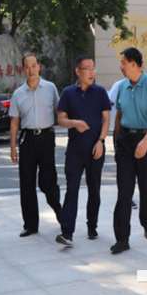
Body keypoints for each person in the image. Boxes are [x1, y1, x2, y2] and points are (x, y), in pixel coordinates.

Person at [112, 47, 147, 253]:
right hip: (125, 140)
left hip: (146, 138)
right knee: (124, 190)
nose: (120, 66)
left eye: (123, 63)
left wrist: (145, 141)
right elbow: (118, 117)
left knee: (145, 185)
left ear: (133, 64)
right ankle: (122, 238)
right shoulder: (121, 86)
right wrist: (116, 145)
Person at [55, 55, 111, 246]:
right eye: (87, 69)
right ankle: (67, 232)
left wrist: (101, 141)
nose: (92, 72)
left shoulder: (100, 92)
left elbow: (106, 119)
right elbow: (61, 119)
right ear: (78, 71)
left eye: (93, 68)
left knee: (94, 190)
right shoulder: (68, 93)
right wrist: (74, 123)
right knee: (71, 190)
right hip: (75, 151)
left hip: (95, 149)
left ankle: (92, 226)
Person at [9, 53, 62, 237]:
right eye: (27, 66)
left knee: (49, 181)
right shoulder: (18, 93)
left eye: (33, 65)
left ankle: (60, 212)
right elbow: (14, 122)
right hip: (27, 139)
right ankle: (31, 225)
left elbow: (60, 111)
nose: (31, 69)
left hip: (46, 138)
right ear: (23, 69)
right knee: (27, 183)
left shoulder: (50, 88)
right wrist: (12, 147)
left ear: (39, 67)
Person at [108, 80, 138, 210]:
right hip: (121, 129)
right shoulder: (119, 85)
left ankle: (129, 195)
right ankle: (125, 198)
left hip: (139, 132)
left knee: (136, 167)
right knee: (123, 168)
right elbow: (108, 102)